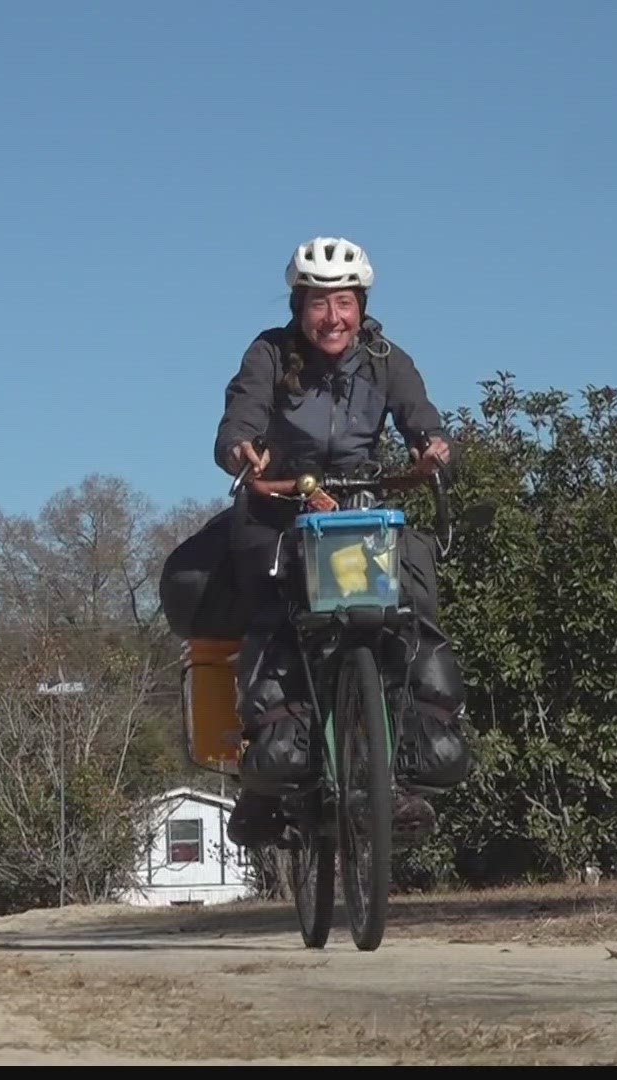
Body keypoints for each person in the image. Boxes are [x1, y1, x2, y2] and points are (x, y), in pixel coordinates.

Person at [214, 236, 471, 847]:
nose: (333, 318)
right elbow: (241, 416)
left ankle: (397, 770)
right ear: (300, 306)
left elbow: (421, 418)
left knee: (407, 604)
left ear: (361, 305)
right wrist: (240, 449)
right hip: (279, 503)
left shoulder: (386, 359)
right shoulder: (269, 355)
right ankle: (264, 774)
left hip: (357, 508)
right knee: (272, 609)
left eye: (345, 302)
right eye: (319, 303)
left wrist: (431, 446)